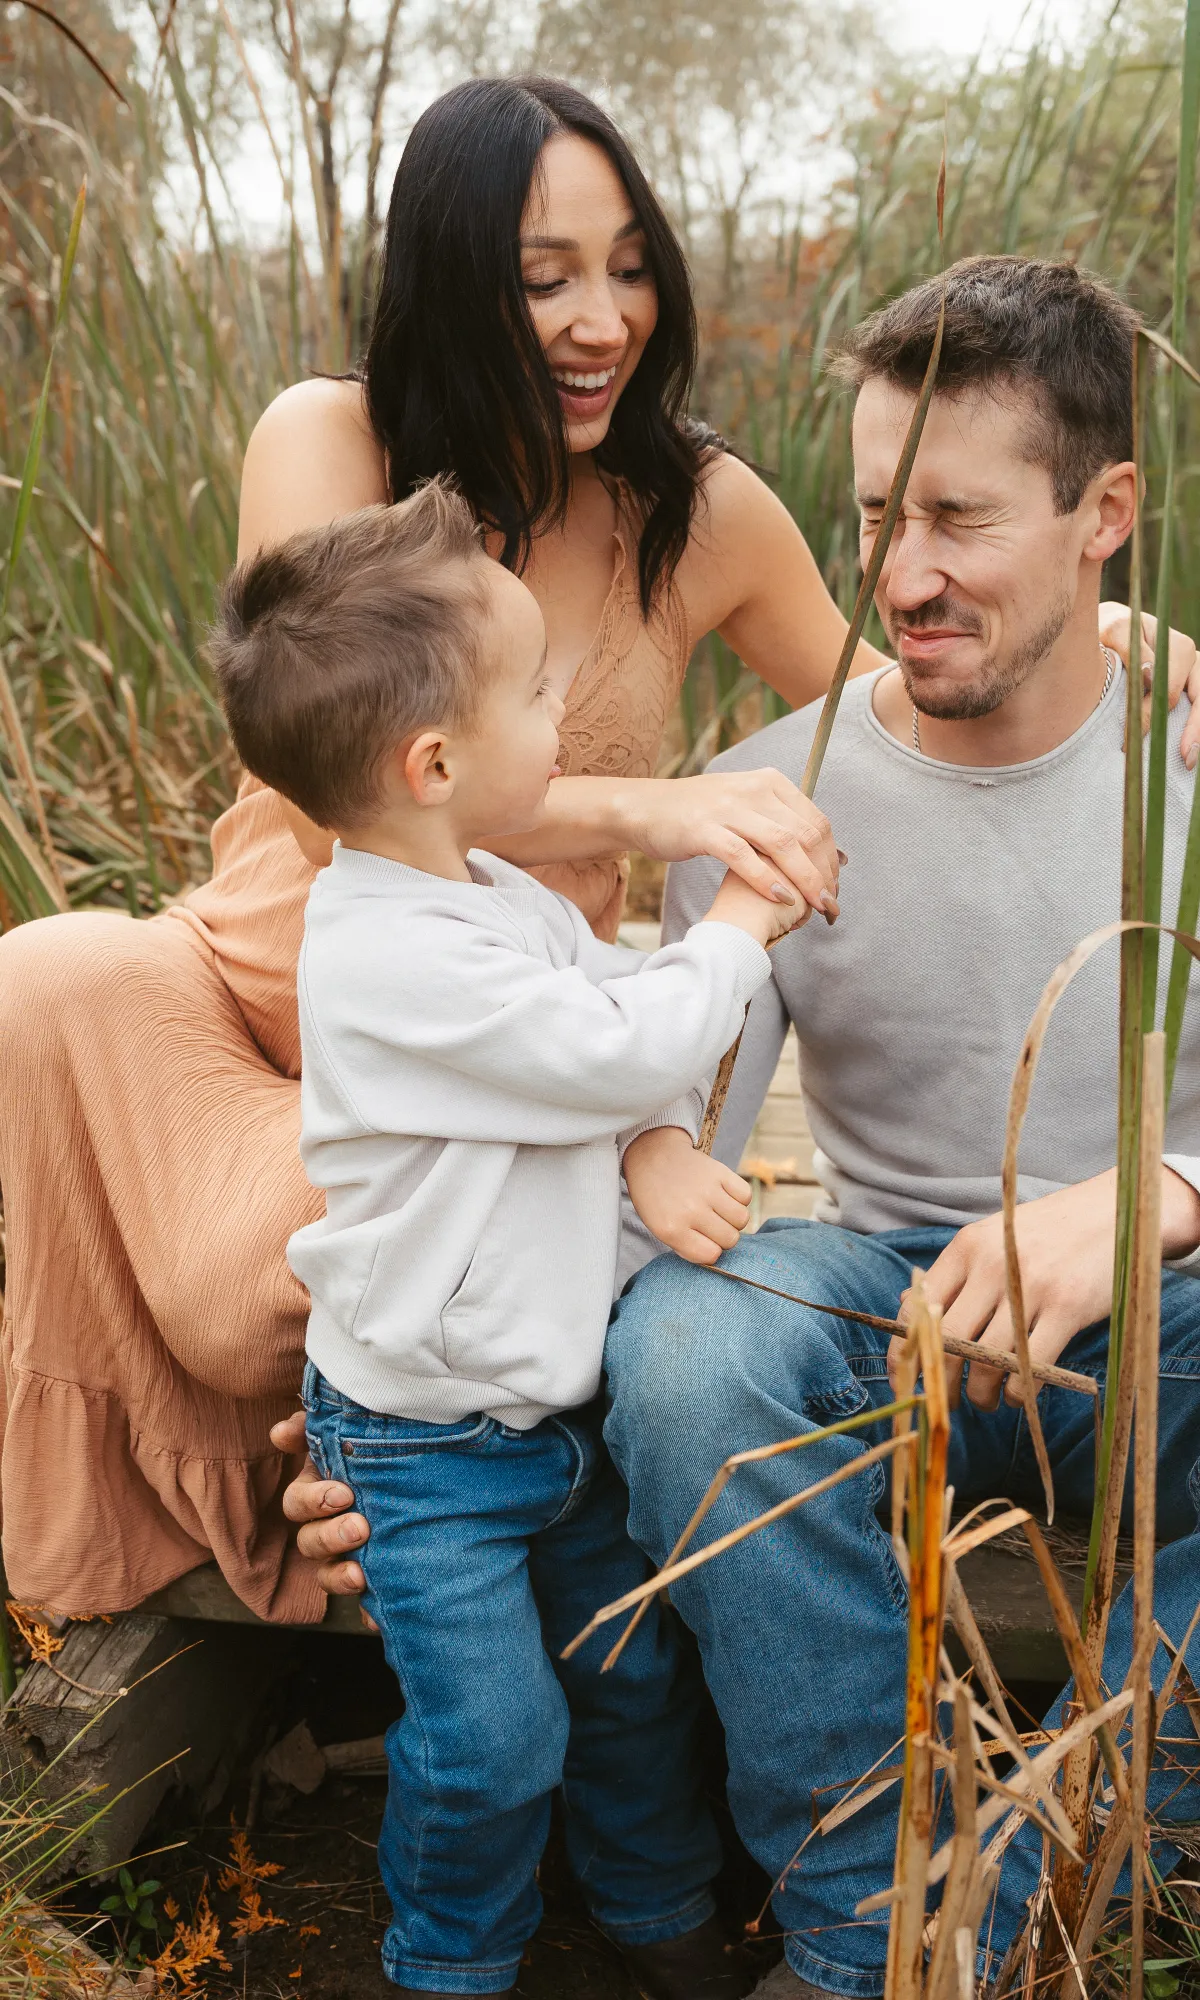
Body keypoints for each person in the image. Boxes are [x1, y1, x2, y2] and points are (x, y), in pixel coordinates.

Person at [0, 73, 1184, 1621]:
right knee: (51, 974)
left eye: (628, 267)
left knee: (337, 1268)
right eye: (544, 275)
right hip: (274, 982)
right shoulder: (329, 439)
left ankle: (367, 1444)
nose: (601, 318)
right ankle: (289, 1461)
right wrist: (661, 805)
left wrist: (1097, 616)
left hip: (497, 1041)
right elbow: (325, 795)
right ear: (450, 274)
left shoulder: (701, 508)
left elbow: (905, 700)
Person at [292, 258, 1200, 1998]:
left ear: (1108, 515)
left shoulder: (1187, 760)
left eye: (958, 516)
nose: (901, 574)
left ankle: (1060, 1855)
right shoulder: (769, 800)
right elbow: (622, 1120)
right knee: (692, 1350)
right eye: (874, 515)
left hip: (1176, 1333)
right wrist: (381, 1404)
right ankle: (875, 1927)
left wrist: (1148, 1196)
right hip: (894, 1332)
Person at [210, 479, 810, 1998]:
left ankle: (660, 1910)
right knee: (492, 1740)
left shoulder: (498, 901)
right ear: (435, 760)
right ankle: (450, 1963)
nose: (567, 710)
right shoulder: (387, 953)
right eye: (539, 688)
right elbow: (609, 1049)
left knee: (626, 1687)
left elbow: (608, 1050)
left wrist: (656, 1139)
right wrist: (737, 925)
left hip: (556, 1408)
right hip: (424, 1447)